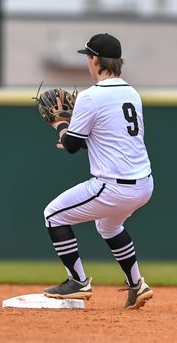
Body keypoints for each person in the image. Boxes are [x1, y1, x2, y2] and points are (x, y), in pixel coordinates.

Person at [42, 33, 154, 309]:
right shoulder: (132, 92)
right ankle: (137, 284)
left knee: (53, 215)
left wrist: (59, 124)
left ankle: (77, 281)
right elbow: (99, 137)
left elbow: (71, 145)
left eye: (88, 57)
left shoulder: (91, 97)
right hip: (144, 184)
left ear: (95, 60)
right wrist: (72, 133)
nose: (88, 62)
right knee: (109, 225)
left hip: (113, 187)